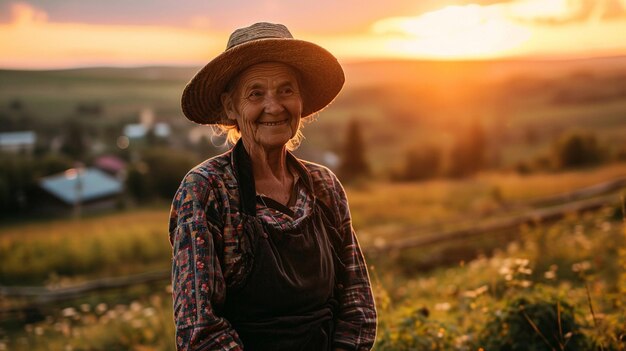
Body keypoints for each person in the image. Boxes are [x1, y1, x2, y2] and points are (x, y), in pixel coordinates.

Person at [169, 22, 377, 351]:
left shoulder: (324, 187)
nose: (274, 106)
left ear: (301, 99)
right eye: (255, 93)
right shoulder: (208, 189)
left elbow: (358, 305)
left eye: (286, 90)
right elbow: (199, 329)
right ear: (230, 106)